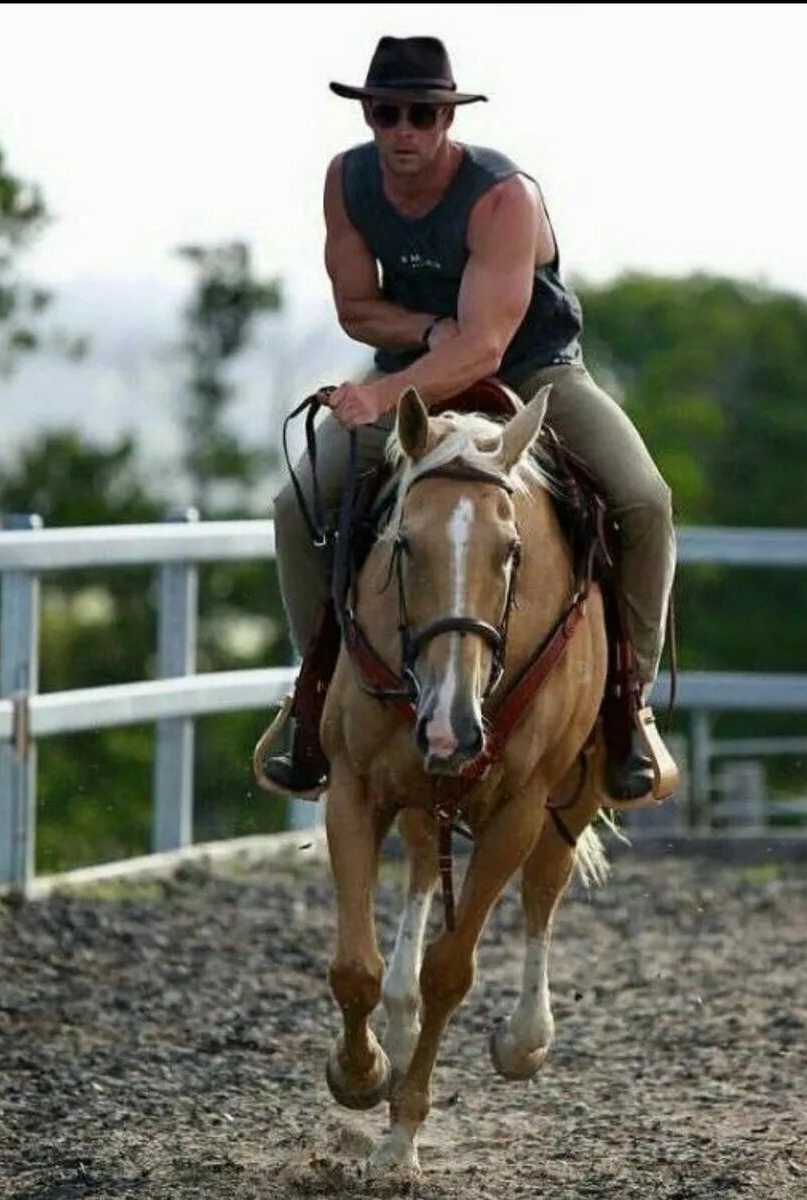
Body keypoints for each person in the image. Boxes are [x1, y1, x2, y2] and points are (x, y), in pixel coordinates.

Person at [265, 35, 676, 800]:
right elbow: (356, 308)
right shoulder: (346, 183)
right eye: (387, 114)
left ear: (448, 118)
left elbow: (485, 347)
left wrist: (382, 399)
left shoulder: (502, 196)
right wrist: (422, 337)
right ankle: (313, 690)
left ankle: (630, 703)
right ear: (369, 118)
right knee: (297, 505)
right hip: (409, 372)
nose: (404, 131)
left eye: (422, 114)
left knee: (644, 500)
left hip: (532, 369)